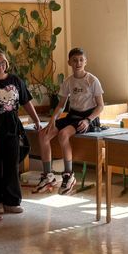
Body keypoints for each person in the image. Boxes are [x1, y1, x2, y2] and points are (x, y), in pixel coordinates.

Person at [0, 49, 41, 215]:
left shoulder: (15, 80)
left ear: (6, 64)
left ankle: (11, 201)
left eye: (2, 63)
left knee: (11, 165)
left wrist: (36, 119)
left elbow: (26, 102)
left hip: (12, 127)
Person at [36, 47, 104, 195]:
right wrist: (53, 119)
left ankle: (68, 175)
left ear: (85, 62)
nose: (78, 63)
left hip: (88, 118)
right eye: (74, 60)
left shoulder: (92, 80)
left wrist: (88, 120)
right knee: (43, 134)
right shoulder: (68, 81)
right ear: (69, 63)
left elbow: (100, 106)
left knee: (63, 134)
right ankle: (48, 175)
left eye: (81, 60)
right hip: (72, 116)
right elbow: (61, 105)